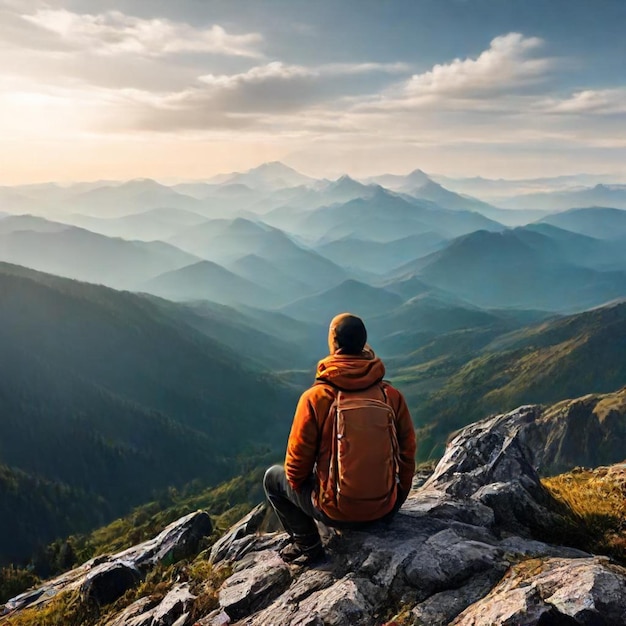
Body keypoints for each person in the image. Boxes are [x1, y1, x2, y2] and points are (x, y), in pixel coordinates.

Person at [264, 312, 417, 563]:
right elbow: (407, 454)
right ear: (364, 344)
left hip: (336, 511)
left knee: (273, 478)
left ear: (334, 343)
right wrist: (396, 499)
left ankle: (308, 545)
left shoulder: (316, 398)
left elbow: (294, 471)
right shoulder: (391, 395)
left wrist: (320, 480)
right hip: (384, 508)